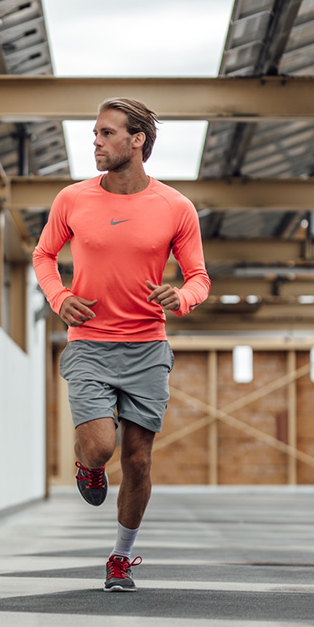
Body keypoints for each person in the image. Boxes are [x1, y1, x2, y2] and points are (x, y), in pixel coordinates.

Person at [32, 97, 210, 592]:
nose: (96, 142)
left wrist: (182, 296)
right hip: (89, 342)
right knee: (100, 447)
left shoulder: (176, 207)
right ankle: (86, 466)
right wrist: (58, 295)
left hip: (147, 348)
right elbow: (44, 254)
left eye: (107, 134)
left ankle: (121, 556)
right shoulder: (73, 199)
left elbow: (199, 277)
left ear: (138, 141)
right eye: (95, 133)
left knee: (137, 460)